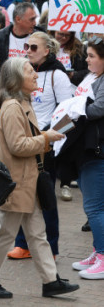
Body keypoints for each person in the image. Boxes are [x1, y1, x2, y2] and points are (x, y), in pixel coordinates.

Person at [0, 57, 78, 299]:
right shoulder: (13, 106)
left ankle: (50, 281)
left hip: (26, 181)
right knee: (5, 234)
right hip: (18, 183)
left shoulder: (20, 101)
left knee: (36, 234)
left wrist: (47, 137)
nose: (35, 75)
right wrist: (46, 138)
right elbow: (18, 146)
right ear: (16, 78)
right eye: (29, 71)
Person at [4, 32, 74, 261]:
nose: (28, 50)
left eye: (33, 47)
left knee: (45, 197)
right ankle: (22, 244)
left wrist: (52, 138)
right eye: (26, 46)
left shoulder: (58, 76)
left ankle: (51, 248)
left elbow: (69, 114)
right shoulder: (21, 75)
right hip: (25, 145)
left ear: (47, 50)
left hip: (46, 147)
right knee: (23, 195)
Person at [58, 37, 104, 278]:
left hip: (96, 152)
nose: (86, 60)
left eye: (92, 56)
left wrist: (78, 108)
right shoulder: (94, 78)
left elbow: (99, 109)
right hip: (89, 150)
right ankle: (99, 252)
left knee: (94, 208)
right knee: (96, 207)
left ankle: (103, 257)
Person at [0, 2, 39, 69]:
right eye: (31, 19)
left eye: (35, 19)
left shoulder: (39, 38)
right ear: (18, 19)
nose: (35, 23)